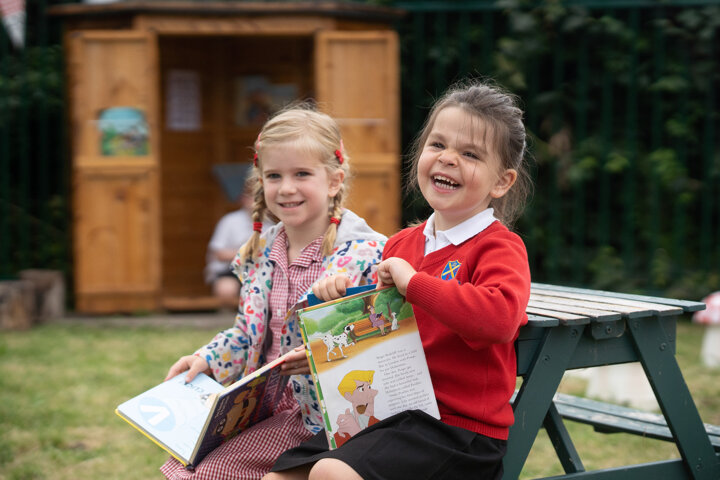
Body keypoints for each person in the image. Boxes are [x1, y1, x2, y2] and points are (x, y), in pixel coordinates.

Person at [265, 79, 533, 480]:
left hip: (458, 431)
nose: (448, 159)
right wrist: (330, 336)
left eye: (470, 154)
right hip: (390, 414)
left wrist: (413, 284)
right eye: (437, 144)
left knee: (330, 473)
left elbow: (498, 320)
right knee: (278, 478)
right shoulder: (401, 245)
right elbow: (385, 333)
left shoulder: (499, 247)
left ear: (502, 181)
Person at [160, 105, 387, 480]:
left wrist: (323, 344)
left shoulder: (364, 256)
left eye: (302, 174)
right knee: (187, 462)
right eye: (274, 175)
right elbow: (247, 334)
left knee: (208, 473)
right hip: (259, 405)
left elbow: (384, 339)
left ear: (334, 181)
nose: (286, 188)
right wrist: (208, 359)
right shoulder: (259, 254)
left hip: (324, 417)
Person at [204, 183, 255, 308]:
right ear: (243, 199)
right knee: (226, 290)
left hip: (260, 271)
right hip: (230, 270)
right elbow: (219, 253)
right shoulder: (230, 221)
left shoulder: (270, 223)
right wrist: (251, 253)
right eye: (252, 197)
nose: (256, 202)